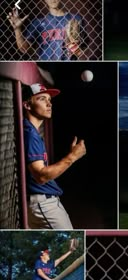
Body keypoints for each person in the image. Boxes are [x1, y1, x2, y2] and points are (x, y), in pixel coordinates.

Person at [23, 83, 86, 229]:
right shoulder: (30, 134)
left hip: (44, 202)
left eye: (49, 99)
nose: (49, 103)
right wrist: (72, 157)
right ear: (27, 105)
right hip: (43, 204)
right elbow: (41, 176)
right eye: (42, 99)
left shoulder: (31, 130)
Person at [7, 0, 83, 60]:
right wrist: (17, 29)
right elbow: (24, 49)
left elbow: (81, 50)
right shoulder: (37, 23)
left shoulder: (75, 19)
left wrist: (73, 43)